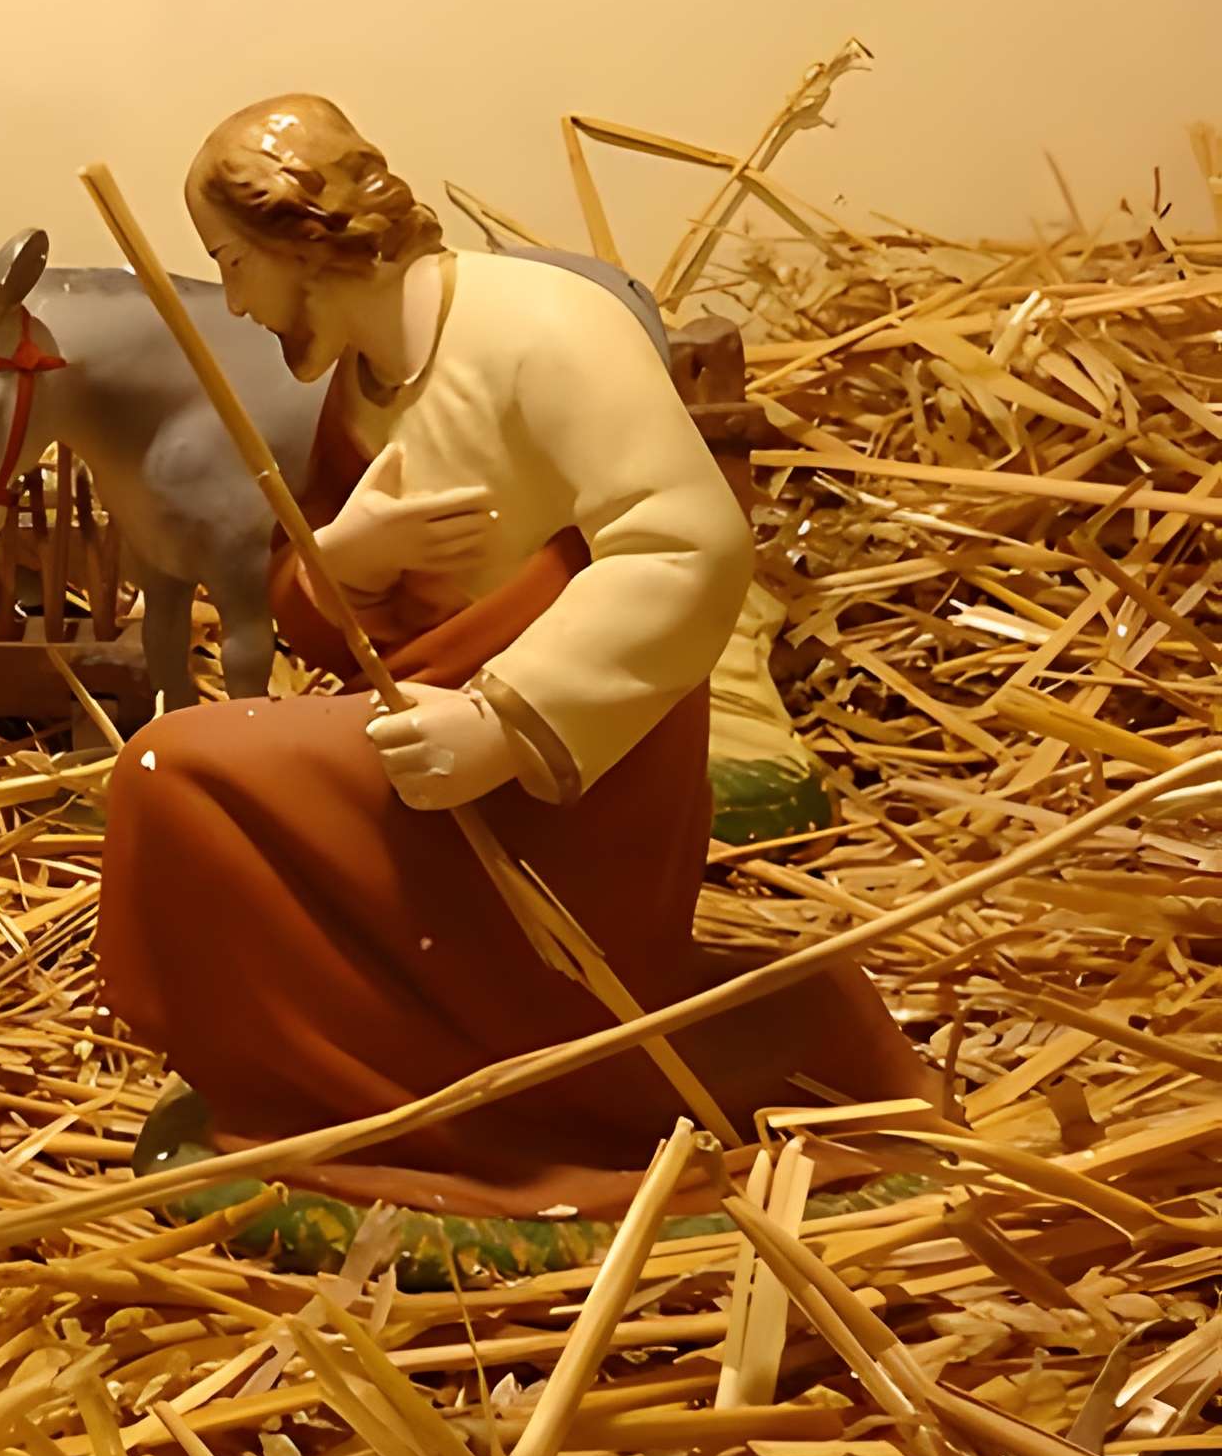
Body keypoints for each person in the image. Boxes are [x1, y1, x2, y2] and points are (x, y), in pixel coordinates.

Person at [100, 96, 939, 1219]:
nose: (235, 301)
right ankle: (356, 1077)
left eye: (232, 263)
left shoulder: (542, 329)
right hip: (419, 745)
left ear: (304, 247)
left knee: (176, 771)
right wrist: (343, 561)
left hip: (566, 778)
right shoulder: (358, 379)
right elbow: (322, 624)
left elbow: (685, 544)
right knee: (186, 774)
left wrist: (504, 719)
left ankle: (417, 1087)